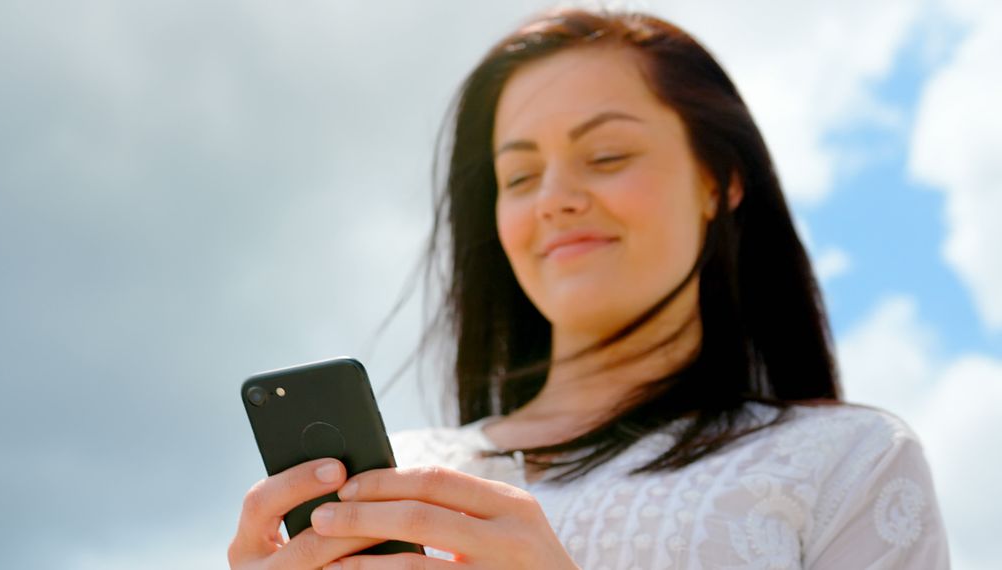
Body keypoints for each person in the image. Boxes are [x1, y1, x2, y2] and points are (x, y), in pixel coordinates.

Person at [228, 8, 950, 569]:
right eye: (518, 177)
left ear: (718, 180)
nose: (554, 198)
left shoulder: (849, 462)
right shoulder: (401, 477)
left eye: (606, 155)